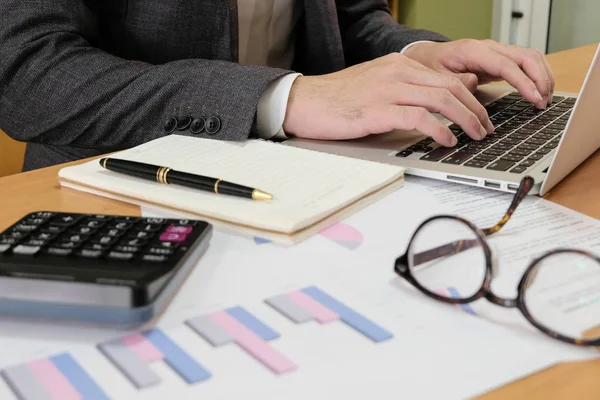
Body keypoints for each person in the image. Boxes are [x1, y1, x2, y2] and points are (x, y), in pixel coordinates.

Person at [0, 0, 554, 171]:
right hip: (120, 182)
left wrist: (419, 52)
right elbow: (28, 73)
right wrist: (285, 98)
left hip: (306, 168)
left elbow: (351, 19)